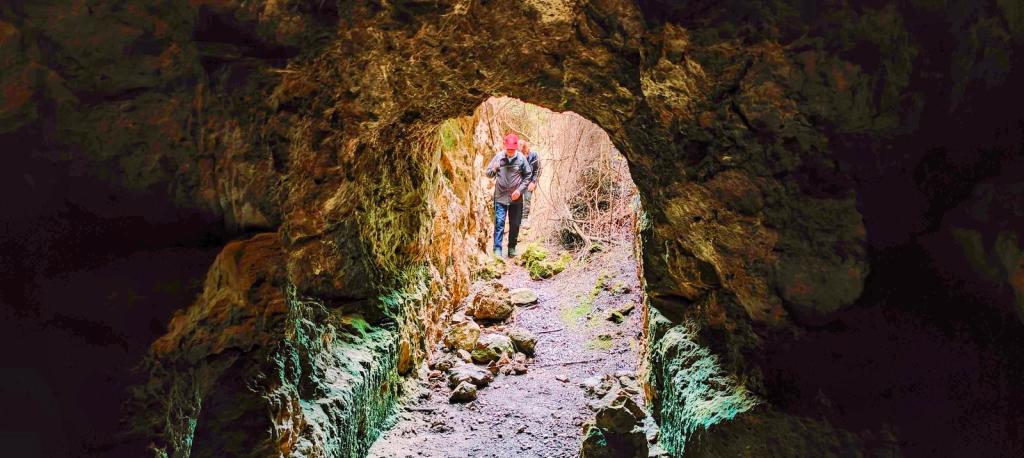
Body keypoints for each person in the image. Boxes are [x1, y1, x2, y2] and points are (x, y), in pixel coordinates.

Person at [486, 133, 532, 258]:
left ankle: (512, 248)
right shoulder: (499, 157)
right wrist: (494, 169)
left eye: (512, 149)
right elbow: (488, 173)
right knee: (499, 223)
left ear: (516, 148)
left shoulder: (521, 159)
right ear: (505, 146)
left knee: (515, 223)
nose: (510, 152)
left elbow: (528, 176)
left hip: (516, 199)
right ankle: (497, 250)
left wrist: (520, 190)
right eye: (508, 149)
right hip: (500, 197)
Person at [520, 141, 542, 227]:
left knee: (527, 198)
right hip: (519, 181)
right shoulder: (517, 156)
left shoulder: (534, 155)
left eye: (524, 152)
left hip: (530, 182)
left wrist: (533, 182)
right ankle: (517, 219)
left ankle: (524, 219)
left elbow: (538, 170)